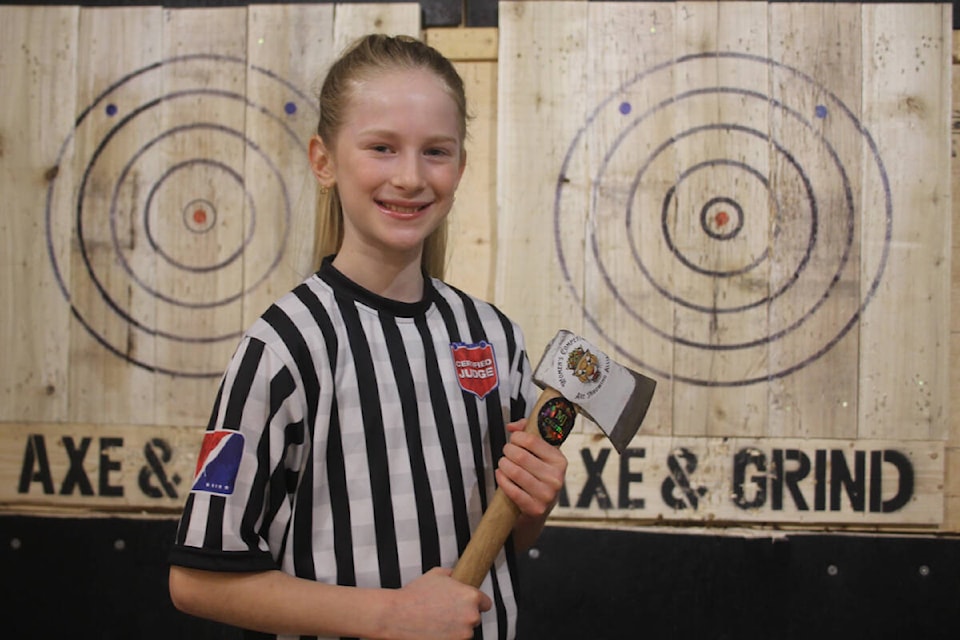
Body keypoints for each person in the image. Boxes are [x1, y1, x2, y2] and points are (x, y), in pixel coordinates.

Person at [168, 33, 567, 640]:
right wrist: (389, 616)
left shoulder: (491, 337)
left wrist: (534, 502)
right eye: (382, 147)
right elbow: (197, 580)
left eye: (436, 151)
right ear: (324, 161)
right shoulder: (281, 350)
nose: (410, 176)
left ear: (460, 167)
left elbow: (511, 535)